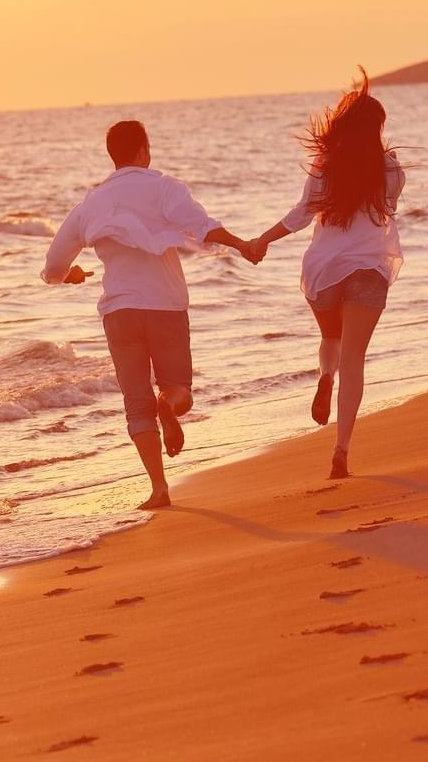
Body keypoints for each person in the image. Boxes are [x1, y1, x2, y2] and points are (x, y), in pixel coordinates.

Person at [42, 120, 263, 510]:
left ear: (112, 155)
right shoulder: (165, 187)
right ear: (144, 150)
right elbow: (204, 227)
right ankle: (170, 405)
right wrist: (242, 245)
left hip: (119, 313)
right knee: (178, 389)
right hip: (165, 306)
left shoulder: (91, 204)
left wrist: (70, 275)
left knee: (136, 403)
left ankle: (159, 489)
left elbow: (53, 266)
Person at [250, 70, 405, 479]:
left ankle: (324, 376)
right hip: (370, 267)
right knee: (355, 359)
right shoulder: (390, 168)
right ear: (376, 129)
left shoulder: (326, 166)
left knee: (331, 338)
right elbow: (388, 206)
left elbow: (302, 214)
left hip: (325, 269)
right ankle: (341, 451)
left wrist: (262, 240)